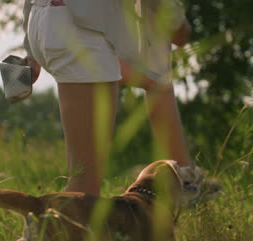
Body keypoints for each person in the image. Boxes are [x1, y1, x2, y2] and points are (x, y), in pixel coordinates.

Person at [22, 0, 192, 195]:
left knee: (157, 82)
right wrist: (177, 23)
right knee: (84, 188)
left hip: (45, 20)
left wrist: (30, 49)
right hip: (81, 28)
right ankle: (42, 223)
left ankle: (186, 180)